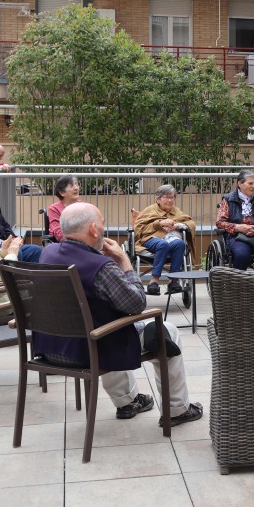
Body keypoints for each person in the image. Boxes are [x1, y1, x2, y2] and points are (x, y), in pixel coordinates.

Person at [38, 203, 203, 426]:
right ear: (94, 229)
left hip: (54, 349)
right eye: (103, 223)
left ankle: (128, 401)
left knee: (106, 320)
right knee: (167, 332)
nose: (104, 228)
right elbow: (136, 303)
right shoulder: (101, 267)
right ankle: (177, 409)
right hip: (89, 351)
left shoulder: (47, 253)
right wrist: (124, 261)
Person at [134, 184, 196, 295]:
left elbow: (190, 223)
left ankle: (173, 281)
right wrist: (159, 223)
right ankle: (154, 281)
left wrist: (177, 225)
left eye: (172, 197)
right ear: (158, 199)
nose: (170, 200)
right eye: (166, 197)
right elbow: (139, 229)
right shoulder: (149, 210)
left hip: (171, 239)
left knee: (180, 244)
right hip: (151, 239)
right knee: (163, 245)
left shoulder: (176, 211)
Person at [216, 171, 254, 274]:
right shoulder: (228, 199)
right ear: (240, 184)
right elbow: (220, 222)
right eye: (250, 183)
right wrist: (238, 227)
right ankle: (239, 286)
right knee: (241, 254)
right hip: (237, 236)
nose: (253, 186)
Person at [46, 175, 80, 243]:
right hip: (64, 244)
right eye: (71, 186)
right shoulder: (54, 209)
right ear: (61, 192)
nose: (76, 188)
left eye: (76, 184)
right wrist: (76, 242)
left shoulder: (84, 206)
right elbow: (57, 231)